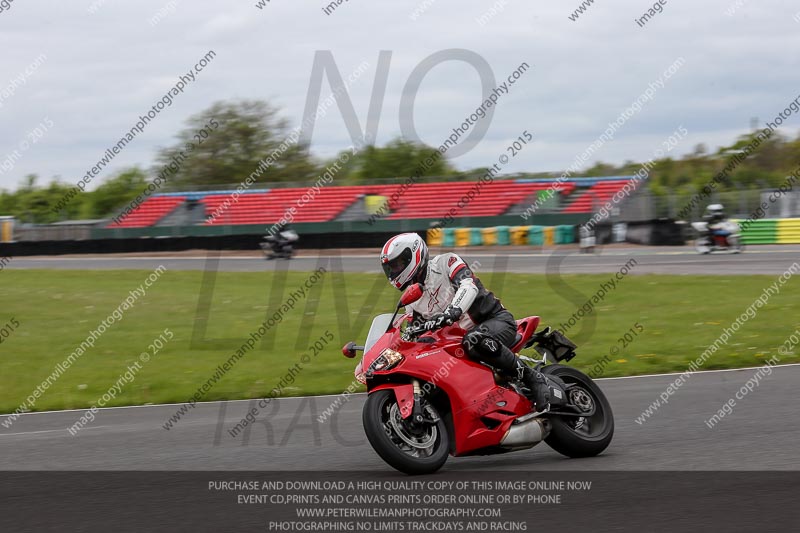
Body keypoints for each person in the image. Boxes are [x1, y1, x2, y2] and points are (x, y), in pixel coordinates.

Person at [379, 232, 549, 411]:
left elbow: (468, 285)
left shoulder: (447, 263)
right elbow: (414, 332)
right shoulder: (412, 299)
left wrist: (453, 311)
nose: (394, 272)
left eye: (397, 265)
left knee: (473, 340)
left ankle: (533, 377)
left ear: (412, 256)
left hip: (495, 320)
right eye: (390, 268)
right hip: (458, 338)